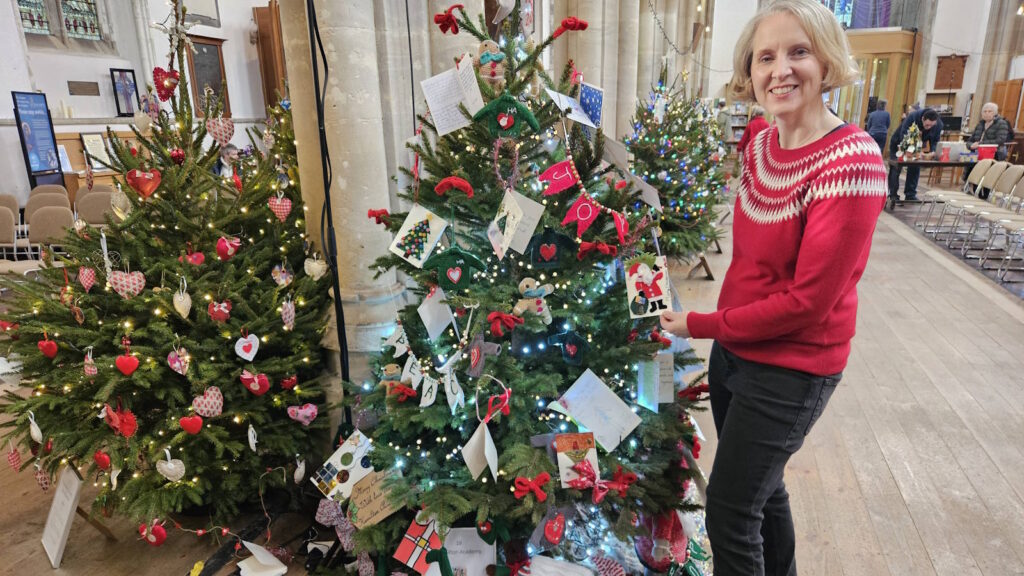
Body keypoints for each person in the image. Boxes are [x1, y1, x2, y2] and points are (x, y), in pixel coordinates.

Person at [659, 1, 887, 574]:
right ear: (750, 72)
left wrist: (700, 324)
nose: (780, 69)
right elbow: (755, 264)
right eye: (766, 57)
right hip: (736, 351)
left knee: (731, 512)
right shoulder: (759, 139)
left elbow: (809, 303)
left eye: (798, 52)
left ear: (827, 61)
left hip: (793, 365)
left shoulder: (850, 161)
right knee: (765, 491)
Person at [887, 107, 943, 202]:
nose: (929, 128)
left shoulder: (938, 124)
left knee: (915, 167)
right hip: (899, 143)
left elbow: (935, 140)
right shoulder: (913, 117)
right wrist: (909, 150)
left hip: (917, 146)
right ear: (922, 119)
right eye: (927, 125)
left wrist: (933, 151)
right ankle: (892, 194)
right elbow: (903, 134)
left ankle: (910, 194)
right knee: (896, 168)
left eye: (931, 126)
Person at [961, 102, 1012, 186]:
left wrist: (980, 144)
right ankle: (968, 185)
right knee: (969, 165)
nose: (987, 113)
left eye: (990, 111)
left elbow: (1000, 140)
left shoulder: (1001, 123)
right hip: (977, 153)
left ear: (995, 113)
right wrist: (971, 145)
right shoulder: (980, 124)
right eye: (985, 111)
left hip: (994, 154)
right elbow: (970, 141)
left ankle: (982, 189)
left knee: (985, 176)